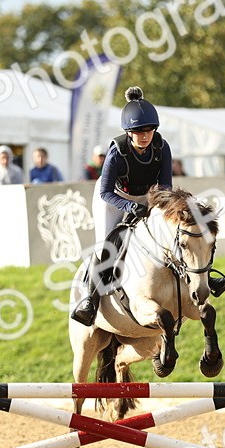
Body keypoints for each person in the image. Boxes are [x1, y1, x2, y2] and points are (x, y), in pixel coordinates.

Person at [71, 86, 174, 326]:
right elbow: (106, 191)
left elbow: (166, 186)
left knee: (174, 231)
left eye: (148, 130)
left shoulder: (162, 148)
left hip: (148, 197)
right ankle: (90, 301)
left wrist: (157, 205)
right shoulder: (116, 153)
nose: (144, 136)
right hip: (114, 198)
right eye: (138, 131)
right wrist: (130, 207)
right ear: (128, 132)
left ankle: (198, 279)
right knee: (105, 245)